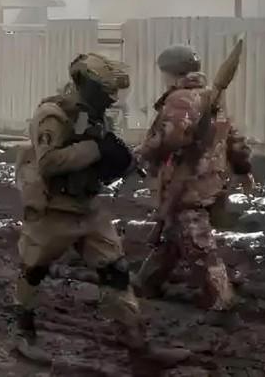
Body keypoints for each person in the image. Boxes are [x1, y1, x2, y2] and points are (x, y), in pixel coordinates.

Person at [15, 53, 190, 370]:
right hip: (53, 207)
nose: (111, 98)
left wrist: (117, 162)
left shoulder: (94, 117)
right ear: (86, 85)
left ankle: (138, 346)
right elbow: (49, 163)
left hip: (87, 207)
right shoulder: (53, 114)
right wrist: (96, 149)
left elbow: (99, 164)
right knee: (34, 269)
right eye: (106, 91)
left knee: (115, 271)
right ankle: (23, 332)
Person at [134, 45, 255, 324]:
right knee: (173, 237)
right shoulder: (212, 97)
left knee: (198, 243)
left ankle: (221, 298)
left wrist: (142, 153)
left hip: (185, 183)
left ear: (169, 72)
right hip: (209, 181)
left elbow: (170, 138)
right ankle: (146, 283)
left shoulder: (180, 100)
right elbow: (233, 137)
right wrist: (243, 168)